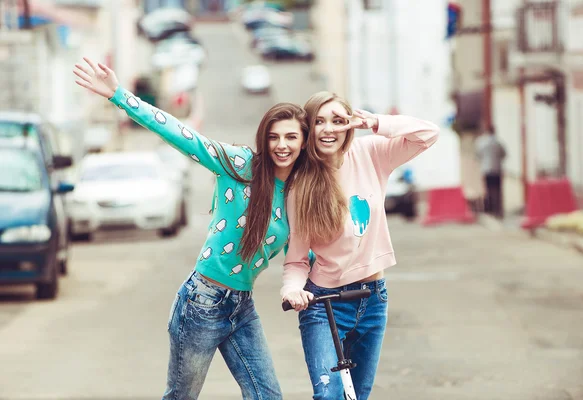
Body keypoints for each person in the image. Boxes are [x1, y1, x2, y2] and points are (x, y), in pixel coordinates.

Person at [73, 57, 308, 400]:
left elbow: (302, 255)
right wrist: (119, 96)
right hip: (202, 302)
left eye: (291, 137)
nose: (281, 145)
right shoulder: (240, 165)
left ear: (303, 142)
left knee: (267, 395)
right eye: (273, 137)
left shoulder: (299, 193)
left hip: (242, 305)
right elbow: (183, 136)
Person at [281, 91, 439, 399]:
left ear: (350, 125)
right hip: (322, 304)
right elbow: (297, 259)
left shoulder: (370, 153)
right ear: (308, 129)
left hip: (373, 298)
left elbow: (427, 134)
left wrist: (375, 122)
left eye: (338, 121)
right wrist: (291, 290)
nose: (329, 129)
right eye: (320, 122)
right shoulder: (301, 185)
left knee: (358, 396)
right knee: (329, 395)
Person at [475, 126, 506, 218]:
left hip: (486, 169)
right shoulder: (498, 142)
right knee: (497, 190)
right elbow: (504, 154)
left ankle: (489, 208)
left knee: (488, 190)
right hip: (497, 169)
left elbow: (478, 155)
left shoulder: (481, 143)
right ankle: (498, 209)